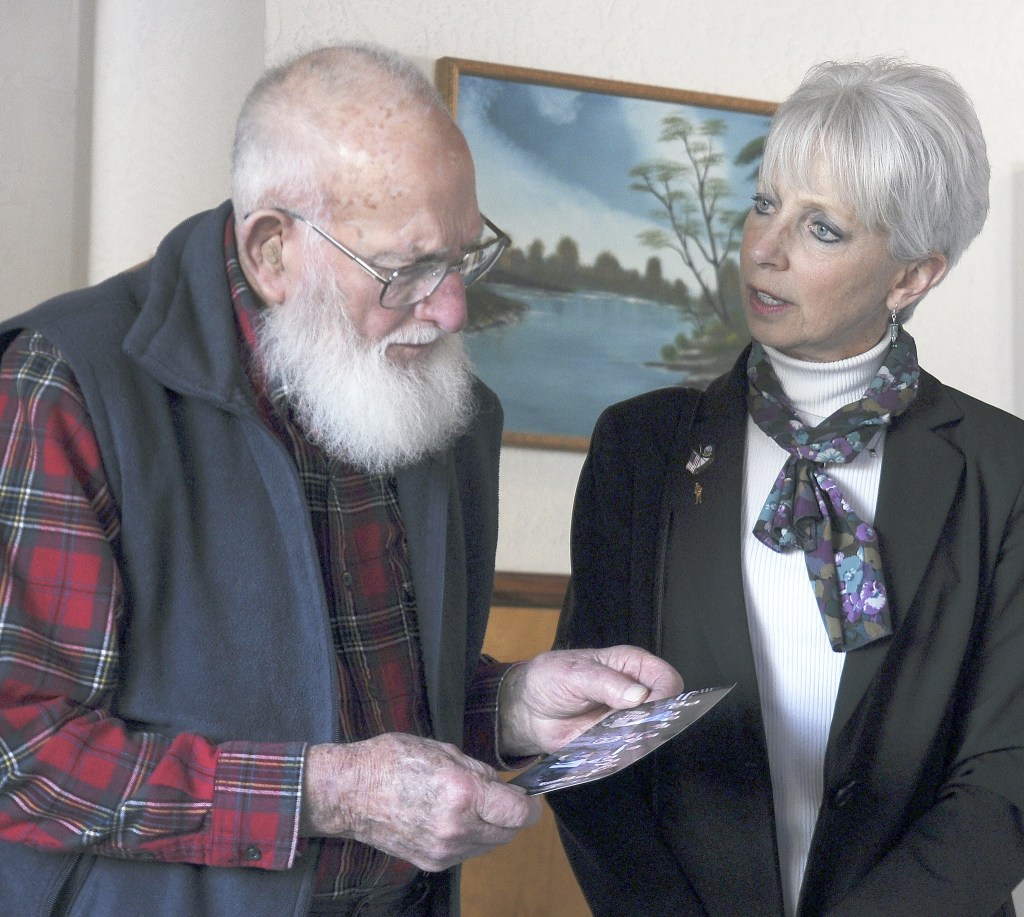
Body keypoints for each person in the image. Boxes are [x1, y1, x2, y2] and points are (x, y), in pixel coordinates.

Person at [0, 44, 682, 917]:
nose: (452, 311)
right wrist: (328, 792)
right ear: (274, 251)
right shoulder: (68, 385)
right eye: (406, 271)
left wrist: (510, 706)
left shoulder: (446, 405)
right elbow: (22, 749)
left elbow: (370, 691)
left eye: (466, 259)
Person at [549, 56, 1024, 916]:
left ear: (913, 276)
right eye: (765, 203)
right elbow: (593, 754)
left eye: (822, 228)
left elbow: (1006, 775)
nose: (765, 248)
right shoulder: (641, 447)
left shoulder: (1005, 468)